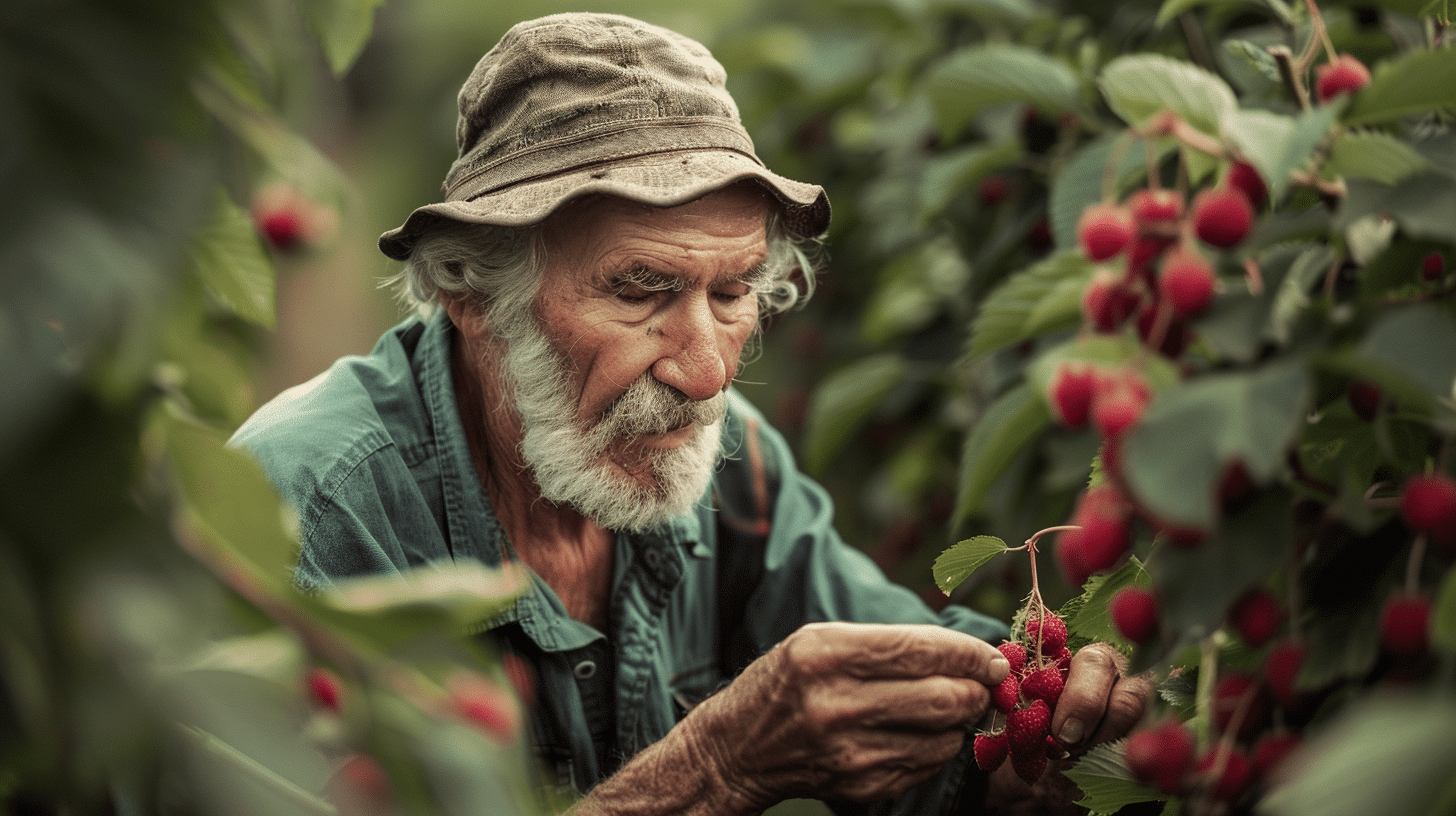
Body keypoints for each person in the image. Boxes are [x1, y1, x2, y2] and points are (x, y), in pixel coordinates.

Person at [232, 12, 1147, 814]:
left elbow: (925, 726)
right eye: (641, 289)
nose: (710, 374)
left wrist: (1031, 744)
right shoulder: (304, 513)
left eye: (735, 290)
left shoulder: (729, 464)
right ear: (472, 292)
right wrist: (713, 772)